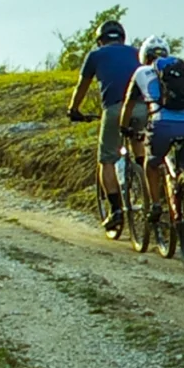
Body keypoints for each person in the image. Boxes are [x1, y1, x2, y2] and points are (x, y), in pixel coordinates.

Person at [66, 18, 142, 233]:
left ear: (100, 41)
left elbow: (82, 86)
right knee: (139, 145)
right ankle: (146, 184)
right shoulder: (137, 52)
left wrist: (74, 110)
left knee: (106, 160)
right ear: (122, 38)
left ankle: (116, 210)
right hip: (143, 106)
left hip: (115, 108)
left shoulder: (95, 56)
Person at [122, 35, 184, 226]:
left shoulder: (141, 73)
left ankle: (156, 205)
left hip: (162, 124)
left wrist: (124, 128)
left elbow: (129, 105)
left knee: (152, 164)